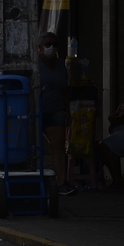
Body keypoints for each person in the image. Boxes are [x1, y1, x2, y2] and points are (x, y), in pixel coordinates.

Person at [37, 32, 75, 195]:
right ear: (40, 48)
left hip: (56, 109)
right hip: (37, 111)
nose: (51, 48)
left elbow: (65, 90)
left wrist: (67, 111)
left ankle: (62, 182)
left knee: (58, 146)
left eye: (54, 44)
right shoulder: (35, 65)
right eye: (47, 45)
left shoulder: (60, 65)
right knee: (34, 147)